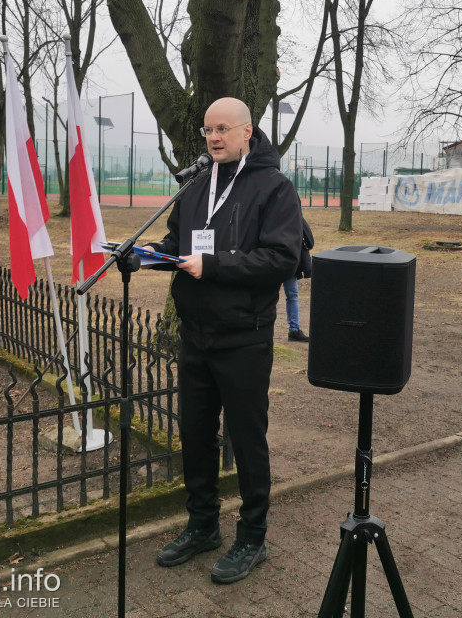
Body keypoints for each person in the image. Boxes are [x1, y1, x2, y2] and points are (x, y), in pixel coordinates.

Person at [146, 97, 302, 583]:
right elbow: (178, 244)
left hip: (244, 337)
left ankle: (252, 536)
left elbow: (281, 259)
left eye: (222, 129)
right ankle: (203, 526)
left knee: (248, 439)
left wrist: (214, 265)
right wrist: (146, 256)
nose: (213, 138)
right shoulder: (196, 185)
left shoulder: (274, 188)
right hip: (197, 335)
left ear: (246, 131)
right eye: (207, 130)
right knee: (195, 434)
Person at [284, 217, 313, 342]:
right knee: (292, 295)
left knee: (292, 295)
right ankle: (294, 330)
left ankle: (294, 330)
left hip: (288, 261)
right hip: (285, 260)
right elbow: (309, 240)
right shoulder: (294, 215)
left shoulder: (294, 215)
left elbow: (309, 240)